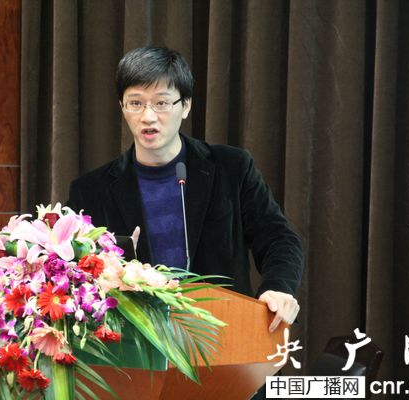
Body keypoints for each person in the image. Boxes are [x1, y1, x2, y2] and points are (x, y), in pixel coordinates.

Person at [67, 46, 302, 333]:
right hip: (136, 344)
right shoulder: (91, 191)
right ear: (122, 107)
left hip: (222, 333)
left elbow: (278, 238)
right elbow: (73, 270)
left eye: (162, 103)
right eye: (135, 103)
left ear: (186, 105)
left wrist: (278, 287)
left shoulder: (231, 168)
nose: (148, 117)